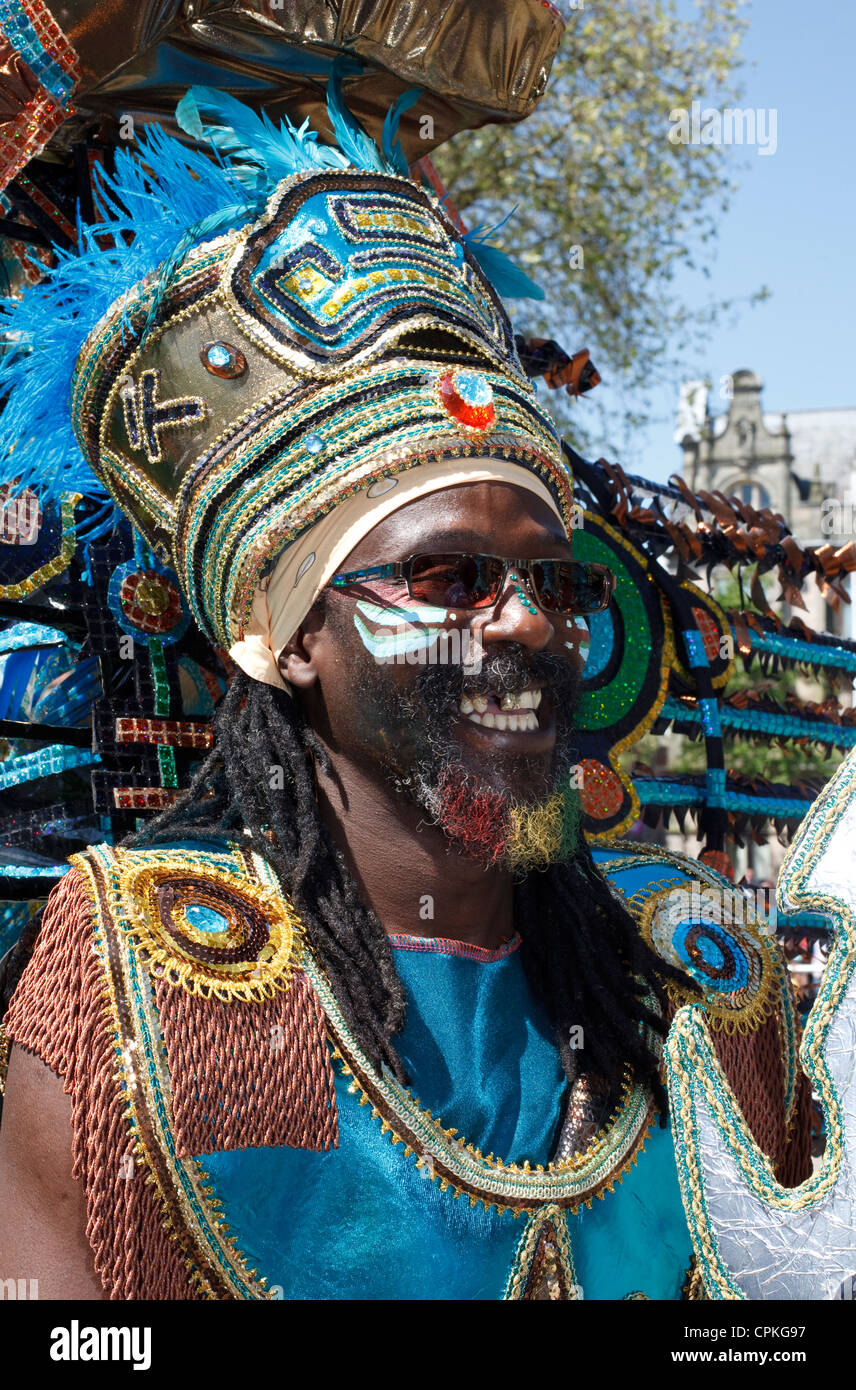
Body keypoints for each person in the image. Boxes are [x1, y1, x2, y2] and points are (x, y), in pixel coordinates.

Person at [0, 88, 811, 1301]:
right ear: (283, 642)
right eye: (447, 578)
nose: (528, 622)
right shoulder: (144, 979)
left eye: (554, 581)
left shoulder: (693, 969)